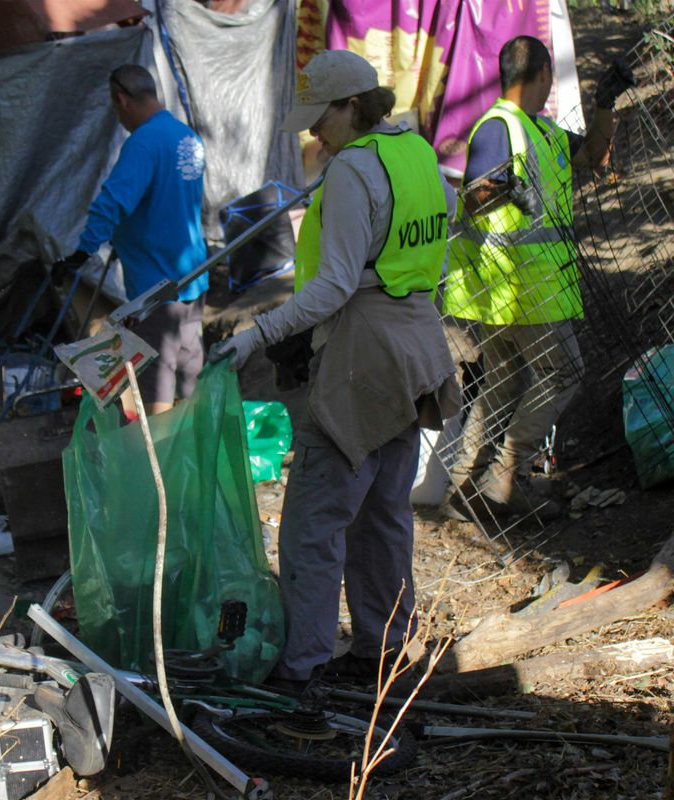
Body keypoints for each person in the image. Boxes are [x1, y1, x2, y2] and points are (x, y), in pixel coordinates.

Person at [213, 50, 459, 686]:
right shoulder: (416, 152)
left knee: (314, 525)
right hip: (417, 350)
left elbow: (335, 285)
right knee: (383, 515)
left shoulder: (352, 169)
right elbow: (439, 234)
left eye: (320, 118)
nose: (312, 133)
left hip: (361, 359)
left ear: (354, 106)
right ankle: (383, 649)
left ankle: (302, 667)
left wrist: (255, 337)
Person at [439, 36, 635, 521]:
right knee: (563, 372)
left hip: (521, 290)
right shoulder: (499, 128)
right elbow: (473, 195)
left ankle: (466, 484)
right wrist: (505, 187)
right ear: (543, 75)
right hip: (522, 289)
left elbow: (593, 156)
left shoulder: (540, 130)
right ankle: (509, 477)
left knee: (503, 384)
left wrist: (604, 105)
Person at [54, 64, 208, 415]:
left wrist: (82, 252)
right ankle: (187, 459)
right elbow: (170, 199)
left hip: (157, 286)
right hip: (193, 280)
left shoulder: (144, 142)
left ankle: (160, 463)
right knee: (187, 377)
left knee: (157, 385)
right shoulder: (186, 137)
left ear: (121, 99)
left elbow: (113, 201)